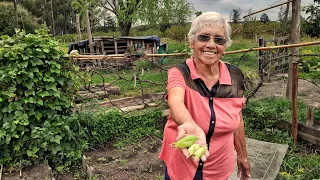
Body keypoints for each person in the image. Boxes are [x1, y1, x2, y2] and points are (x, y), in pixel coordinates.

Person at [159, 12, 251, 180]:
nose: (211, 44)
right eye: (204, 37)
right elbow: (175, 101)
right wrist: (189, 124)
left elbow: (237, 117)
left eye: (219, 39)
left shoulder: (235, 76)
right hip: (183, 164)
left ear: (225, 45)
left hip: (219, 167)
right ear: (191, 42)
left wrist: (243, 156)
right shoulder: (180, 73)